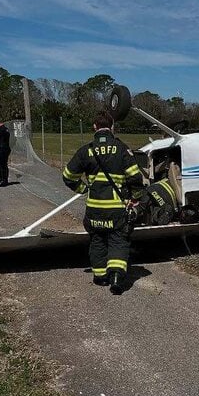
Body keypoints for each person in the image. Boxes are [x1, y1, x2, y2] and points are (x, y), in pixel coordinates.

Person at [62, 111, 144, 294]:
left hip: (94, 209)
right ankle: (116, 277)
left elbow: (67, 176)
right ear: (112, 127)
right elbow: (135, 176)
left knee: (97, 240)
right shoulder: (121, 149)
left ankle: (99, 277)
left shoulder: (86, 150)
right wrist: (135, 198)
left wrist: (83, 189)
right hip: (116, 208)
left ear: (94, 127)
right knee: (118, 241)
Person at [0, 120, 11, 186]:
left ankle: (2, 180)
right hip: (6, 148)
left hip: (1, 149)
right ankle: (5, 180)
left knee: (0, 165)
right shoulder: (6, 129)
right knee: (5, 164)